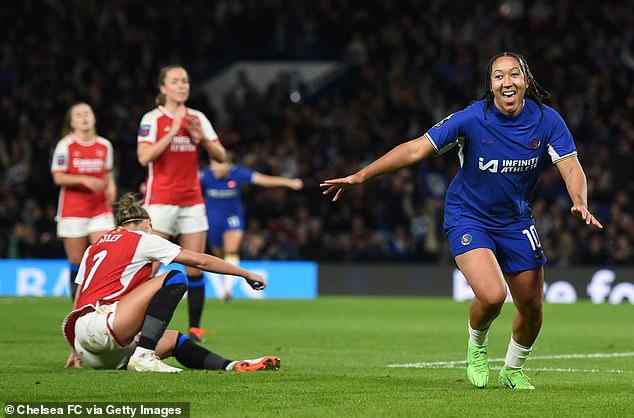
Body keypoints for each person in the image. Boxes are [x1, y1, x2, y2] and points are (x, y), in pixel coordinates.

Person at [321, 52, 603, 390]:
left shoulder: (548, 120)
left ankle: (512, 369)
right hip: (468, 216)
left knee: (532, 306)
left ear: (526, 80)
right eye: (499, 76)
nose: (507, 82)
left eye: (514, 74)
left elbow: (571, 166)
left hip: (516, 221)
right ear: (491, 85)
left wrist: (579, 201)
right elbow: (415, 150)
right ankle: (477, 347)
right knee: (493, 295)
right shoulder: (472, 118)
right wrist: (361, 176)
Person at [62, 192, 280, 373]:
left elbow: (80, 298)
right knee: (175, 276)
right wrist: (245, 273)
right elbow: (201, 260)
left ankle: (231, 366)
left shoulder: (94, 247)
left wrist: (75, 347)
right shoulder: (143, 238)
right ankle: (145, 356)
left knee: (174, 340)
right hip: (107, 328)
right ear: (147, 224)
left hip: (90, 348)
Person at [137, 64, 227, 342]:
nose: (182, 85)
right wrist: (172, 131)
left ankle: (195, 328)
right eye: (175, 81)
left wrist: (203, 141)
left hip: (191, 202)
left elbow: (221, 156)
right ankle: (135, 325)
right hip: (161, 201)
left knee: (195, 266)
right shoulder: (152, 119)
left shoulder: (197, 118)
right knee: (149, 266)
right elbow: (144, 157)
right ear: (163, 88)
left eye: (185, 81)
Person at [200, 151, 304, 300]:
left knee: (232, 249)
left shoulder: (238, 173)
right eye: (213, 163)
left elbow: (263, 180)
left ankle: (227, 289)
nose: (215, 167)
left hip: (232, 217)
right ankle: (226, 278)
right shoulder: (204, 176)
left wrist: (289, 182)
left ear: (229, 165)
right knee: (219, 253)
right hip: (212, 220)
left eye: (219, 164)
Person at [51, 102, 116, 299]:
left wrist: (111, 187)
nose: (84, 117)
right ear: (71, 122)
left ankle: (102, 304)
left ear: (94, 117)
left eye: (87, 113)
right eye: (78, 115)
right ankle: (77, 310)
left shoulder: (104, 145)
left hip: (100, 209)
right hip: (73, 210)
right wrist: (82, 179)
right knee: (77, 260)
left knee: (105, 255)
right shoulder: (66, 145)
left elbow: (108, 172)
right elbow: (58, 177)